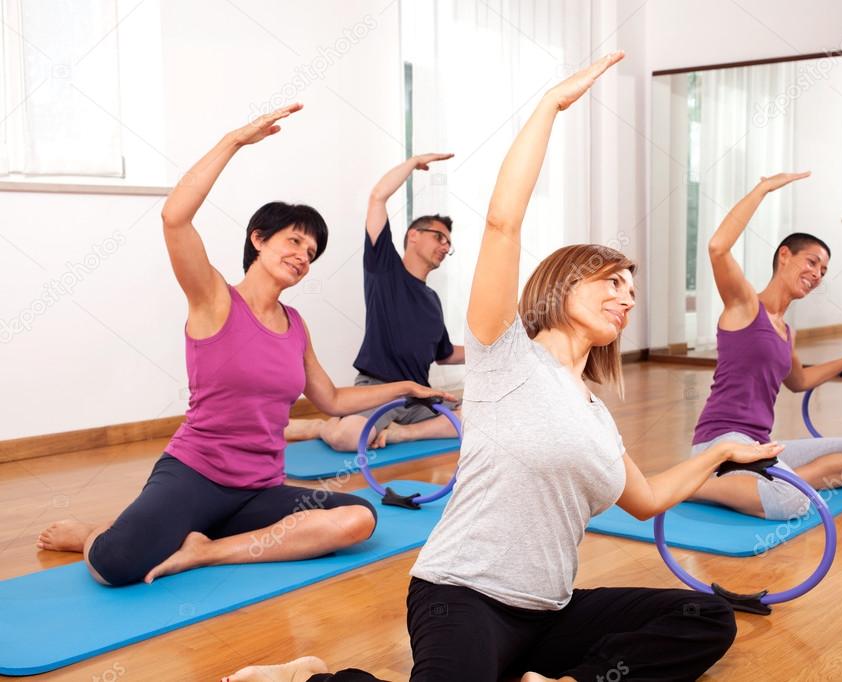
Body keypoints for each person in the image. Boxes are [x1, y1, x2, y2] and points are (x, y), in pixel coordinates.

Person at [223, 52, 773, 682]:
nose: (626, 296)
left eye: (631, 289)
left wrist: (721, 452)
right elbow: (503, 222)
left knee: (706, 618)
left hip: (550, 612)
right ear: (562, 285)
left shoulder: (596, 415)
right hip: (462, 596)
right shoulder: (505, 355)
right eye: (611, 281)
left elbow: (646, 500)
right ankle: (314, 677)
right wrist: (549, 108)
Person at [36, 104, 452, 587]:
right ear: (258, 239)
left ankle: (207, 550)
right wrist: (235, 140)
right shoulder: (214, 299)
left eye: (311, 253)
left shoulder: (295, 324)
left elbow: (332, 401)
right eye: (294, 242)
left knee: (358, 519)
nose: (302, 257)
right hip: (194, 475)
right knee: (114, 565)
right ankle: (98, 531)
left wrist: (405, 387)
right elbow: (175, 218)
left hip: (258, 489)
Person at [687, 173, 842, 521]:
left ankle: (781, 482)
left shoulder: (786, 331)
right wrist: (762, 189)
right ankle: (693, 481)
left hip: (760, 445)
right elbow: (718, 247)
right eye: (811, 262)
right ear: (784, 256)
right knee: (792, 503)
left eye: (823, 270)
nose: (817, 274)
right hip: (721, 441)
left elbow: (799, 382)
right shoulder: (745, 305)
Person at [286, 154, 463, 451]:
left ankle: (400, 434)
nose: (445, 246)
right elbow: (378, 197)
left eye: (449, 243)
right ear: (414, 236)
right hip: (377, 390)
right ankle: (321, 426)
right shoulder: (385, 270)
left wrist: (490, 351)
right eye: (439, 237)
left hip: (418, 396)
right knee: (353, 438)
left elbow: (443, 354)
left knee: (476, 420)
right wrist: (413, 162)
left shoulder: (432, 300)